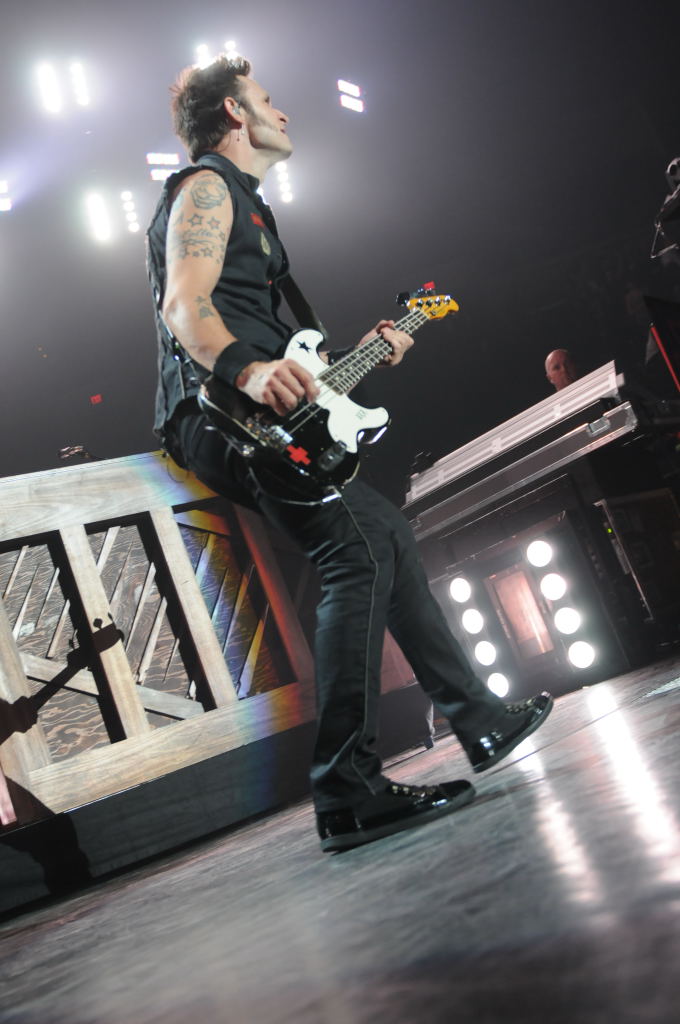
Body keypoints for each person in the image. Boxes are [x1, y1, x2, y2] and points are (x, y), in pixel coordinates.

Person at [146, 56, 553, 853]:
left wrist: (354, 358)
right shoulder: (206, 188)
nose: (283, 113)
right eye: (268, 100)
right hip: (222, 413)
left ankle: (479, 720)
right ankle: (346, 789)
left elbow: (269, 345)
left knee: (384, 534)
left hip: (253, 406)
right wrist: (250, 371)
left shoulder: (248, 206)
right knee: (355, 554)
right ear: (234, 113)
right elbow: (183, 307)